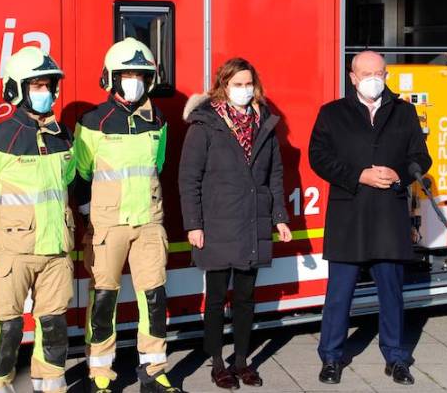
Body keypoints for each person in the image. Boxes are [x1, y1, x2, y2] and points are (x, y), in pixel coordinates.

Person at [308, 50, 431, 386]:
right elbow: (318, 157)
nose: (373, 78)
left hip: (389, 216)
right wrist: (357, 176)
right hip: (349, 214)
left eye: (379, 72)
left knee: (391, 292)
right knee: (339, 294)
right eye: (365, 73)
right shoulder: (332, 113)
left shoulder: (404, 112)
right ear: (353, 77)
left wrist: (401, 174)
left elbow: (421, 157)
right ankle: (331, 357)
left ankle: (396, 356)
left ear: (387, 74)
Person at [0, 47, 76, 393]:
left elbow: (68, 181)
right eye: (38, 85)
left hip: (56, 252)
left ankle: (51, 385)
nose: (47, 93)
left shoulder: (63, 136)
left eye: (49, 85)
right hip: (15, 254)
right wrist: (4, 227)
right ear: (17, 89)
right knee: (9, 327)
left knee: (53, 325)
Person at [178, 58, 292, 389]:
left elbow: (275, 175)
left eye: (248, 84)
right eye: (237, 84)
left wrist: (279, 217)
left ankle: (242, 361)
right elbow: (189, 179)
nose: (244, 90)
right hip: (216, 224)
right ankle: (216, 363)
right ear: (223, 86)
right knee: (215, 297)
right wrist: (193, 225)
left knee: (245, 297)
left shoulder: (265, 124)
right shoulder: (205, 125)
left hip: (252, 223)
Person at [73, 38, 180, 393]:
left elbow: (158, 164)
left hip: (149, 222)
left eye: (141, 74)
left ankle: (154, 368)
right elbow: (80, 175)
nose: (134, 80)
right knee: (104, 297)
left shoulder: (158, 120)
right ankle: (100, 372)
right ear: (112, 78)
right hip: (108, 225)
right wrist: (91, 215)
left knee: (154, 296)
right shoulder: (92, 121)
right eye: (127, 74)